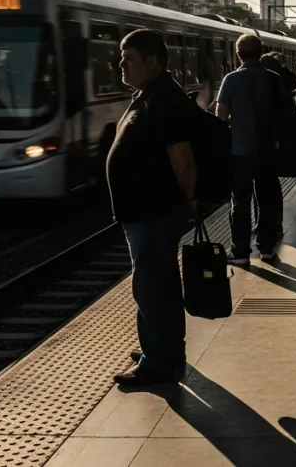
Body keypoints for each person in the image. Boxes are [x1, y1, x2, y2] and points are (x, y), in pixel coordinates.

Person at [105, 29, 195, 386]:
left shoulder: (165, 101)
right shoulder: (150, 94)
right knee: (159, 283)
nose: (120, 65)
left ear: (153, 62)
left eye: (128, 59)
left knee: (151, 287)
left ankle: (157, 363)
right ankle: (161, 348)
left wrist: (191, 201)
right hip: (146, 210)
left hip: (154, 210)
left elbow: (183, 159)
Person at [215, 34, 285, 266]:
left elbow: (221, 117)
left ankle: (240, 251)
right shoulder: (273, 79)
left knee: (240, 202)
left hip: (240, 151)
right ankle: (266, 248)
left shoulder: (231, 80)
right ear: (261, 51)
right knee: (266, 200)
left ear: (238, 54)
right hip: (267, 149)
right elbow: (282, 113)